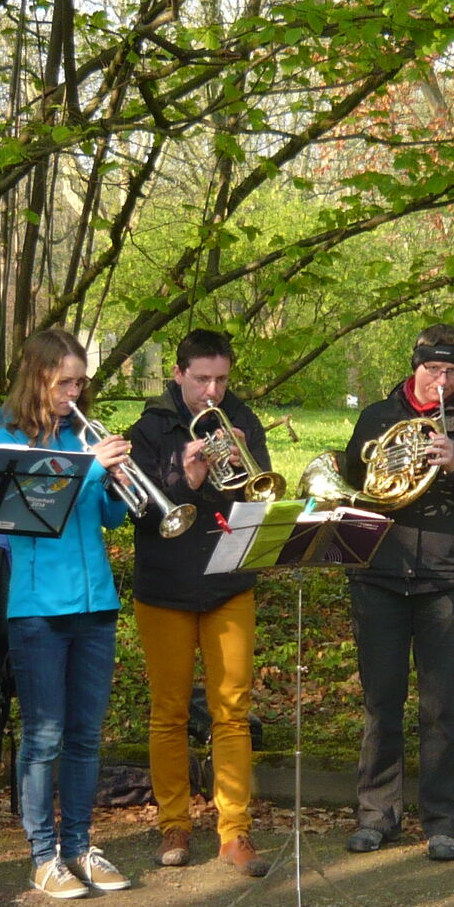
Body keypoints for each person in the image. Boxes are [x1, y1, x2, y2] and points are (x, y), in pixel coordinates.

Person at [341, 324, 454, 863]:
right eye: (434, 369)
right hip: (379, 573)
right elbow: (354, 481)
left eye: (452, 371)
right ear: (416, 366)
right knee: (381, 702)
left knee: (441, 707)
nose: (442, 380)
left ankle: (441, 820)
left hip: (449, 578)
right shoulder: (377, 417)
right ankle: (376, 815)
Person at [0, 328, 134, 900]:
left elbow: (107, 518)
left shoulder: (81, 435)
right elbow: (34, 508)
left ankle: (79, 843)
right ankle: (42, 853)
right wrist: (93, 467)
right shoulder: (9, 437)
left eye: (80, 382)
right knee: (43, 735)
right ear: (38, 377)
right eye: (63, 381)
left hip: (95, 599)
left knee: (85, 735)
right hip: (37, 605)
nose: (73, 392)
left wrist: (119, 486)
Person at [123, 328, 270, 876]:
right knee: (170, 712)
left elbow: (258, 490)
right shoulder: (148, 429)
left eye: (222, 379)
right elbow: (136, 510)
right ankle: (175, 824)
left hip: (229, 579)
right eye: (202, 379)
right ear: (178, 374)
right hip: (165, 587)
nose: (213, 391)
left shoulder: (242, 420)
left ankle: (234, 832)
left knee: (232, 711)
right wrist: (183, 480)